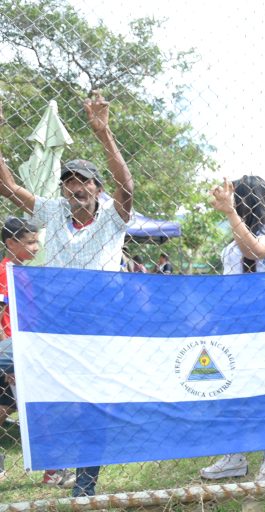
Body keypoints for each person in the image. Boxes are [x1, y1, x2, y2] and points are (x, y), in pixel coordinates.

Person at [0, 91, 134, 497]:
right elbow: (8, 188)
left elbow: (126, 186)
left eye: (84, 182)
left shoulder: (113, 217)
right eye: (70, 182)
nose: (76, 188)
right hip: (50, 327)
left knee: (89, 406)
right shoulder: (53, 211)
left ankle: (85, 490)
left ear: (97, 188)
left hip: (96, 330)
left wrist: (104, 133)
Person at [200, 175, 265, 481]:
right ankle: (234, 455)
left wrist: (230, 213)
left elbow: (257, 251)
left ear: (248, 199)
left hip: (261, 320)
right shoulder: (236, 233)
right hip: (232, 321)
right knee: (229, 386)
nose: (228, 200)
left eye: (234, 196)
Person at [0, 217, 40, 480]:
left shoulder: (20, 271)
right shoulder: (5, 271)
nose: (36, 247)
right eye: (31, 242)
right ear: (11, 242)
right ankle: (53, 471)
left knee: (4, 408)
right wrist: (8, 363)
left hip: (20, 349)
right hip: (12, 351)